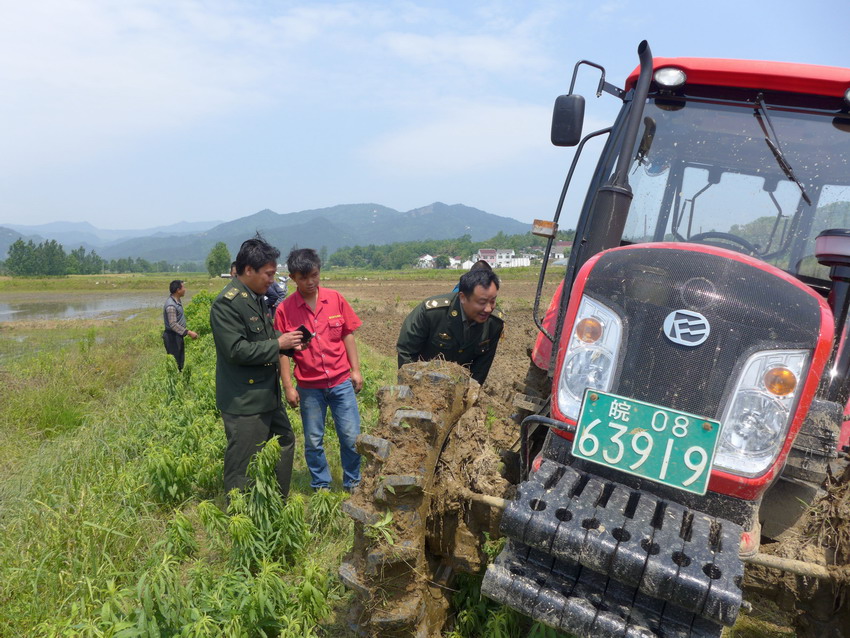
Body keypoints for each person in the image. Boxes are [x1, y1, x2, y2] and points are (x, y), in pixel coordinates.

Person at [210, 236, 305, 499]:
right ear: (248, 270)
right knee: (244, 460)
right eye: (269, 274)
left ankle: (275, 501)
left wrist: (287, 344)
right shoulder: (227, 304)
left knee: (284, 441)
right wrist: (278, 343)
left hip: (268, 395)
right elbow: (236, 350)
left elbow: (262, 337)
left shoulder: (256, 298)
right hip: (245, 400)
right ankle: (240, 516)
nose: (272, 280)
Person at [274, 248, 363, 492]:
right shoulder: (285, 310)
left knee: (351, 436)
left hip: (341, 382)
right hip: (309, 387)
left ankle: (353, 481)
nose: (311, 282)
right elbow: (283, 352)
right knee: (314, 440)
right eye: (304, 278)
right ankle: (321, 484)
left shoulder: (335, 299)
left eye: (314, 275)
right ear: (293, 278)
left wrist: (355, 370)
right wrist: (288, 387)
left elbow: (347, 334)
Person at [397, 268, 505, 385]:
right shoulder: (432, 313)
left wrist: (468, 394)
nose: (488, 308)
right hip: (423, 381)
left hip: (459, 386)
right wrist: (413, 386)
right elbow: (406, 352)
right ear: (463, 297)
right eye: (482, 302)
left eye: (493, 301)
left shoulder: (494, 323)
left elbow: (480, 369)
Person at [162, 280, 198, 371]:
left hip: (177, 335)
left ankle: (179, 380)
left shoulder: (176, 301)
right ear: (178, 290)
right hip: (172, 337)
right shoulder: (171, 305)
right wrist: (188, 332)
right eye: (183, 287)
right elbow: (173, 324)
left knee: (180, 361)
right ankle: (175, 382)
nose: (185, 289)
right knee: (175, 363)